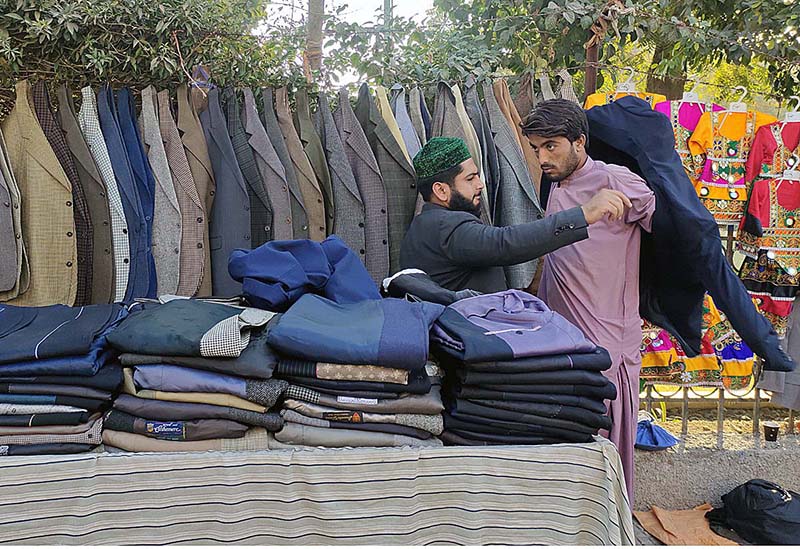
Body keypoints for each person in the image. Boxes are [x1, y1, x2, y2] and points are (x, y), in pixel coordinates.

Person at [523, 99, 656, 503]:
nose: (543, 157)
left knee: (603, 456)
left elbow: (672, 228)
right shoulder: (556, 185)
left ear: (580, 141)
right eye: (536, 149)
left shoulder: (616, 180)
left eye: (551, 146)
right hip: (562, 345)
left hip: (607, 344)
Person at [399, 136, 633, 293]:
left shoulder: (424, 225)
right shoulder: (446, 226)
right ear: (440, 190)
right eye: (470, 179)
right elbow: (505, 243)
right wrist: (583, 214)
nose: (480, 184)